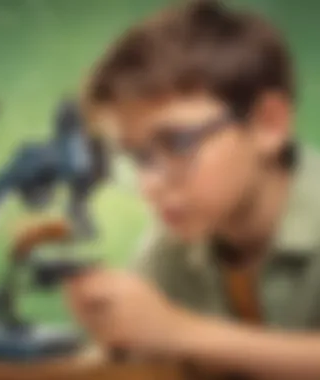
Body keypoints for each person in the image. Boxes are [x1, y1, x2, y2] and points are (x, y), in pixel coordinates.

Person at [65, 0, 320, 378]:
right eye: (136, 157)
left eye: (177, 143)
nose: (148, 185)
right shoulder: (170, 245)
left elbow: (170, 333)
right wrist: (116, 332)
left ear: (268, 124)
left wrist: (180, 332)